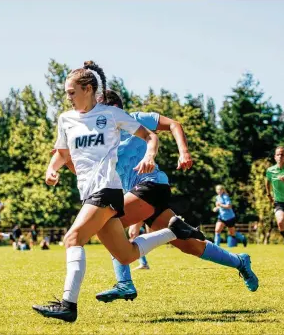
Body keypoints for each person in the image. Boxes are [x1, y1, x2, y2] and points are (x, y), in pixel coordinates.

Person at [32, 61, 204, 323]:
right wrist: (51, 169)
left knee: (72, 238)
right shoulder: (65, 120)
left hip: (107, 190)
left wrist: (150, 155)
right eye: (66, 92)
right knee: (125, 254)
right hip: (88, 192)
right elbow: (62, 154)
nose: (67, 97)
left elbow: (150, 136)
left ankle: (68, 304)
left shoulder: (110, 114)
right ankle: (174, 230)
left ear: (88, 89)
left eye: (71, 92)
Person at [58, 89, 258, 303]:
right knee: (191, 246)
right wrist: (66, 161)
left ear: (115, 108)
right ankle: (239, 261)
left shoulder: (135, 119)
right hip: (135, 195)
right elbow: (87, 171)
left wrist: (184, 152)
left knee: (107, 221)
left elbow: (174, 124)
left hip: (152, 185)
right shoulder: (102, 137)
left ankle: (125, 283)